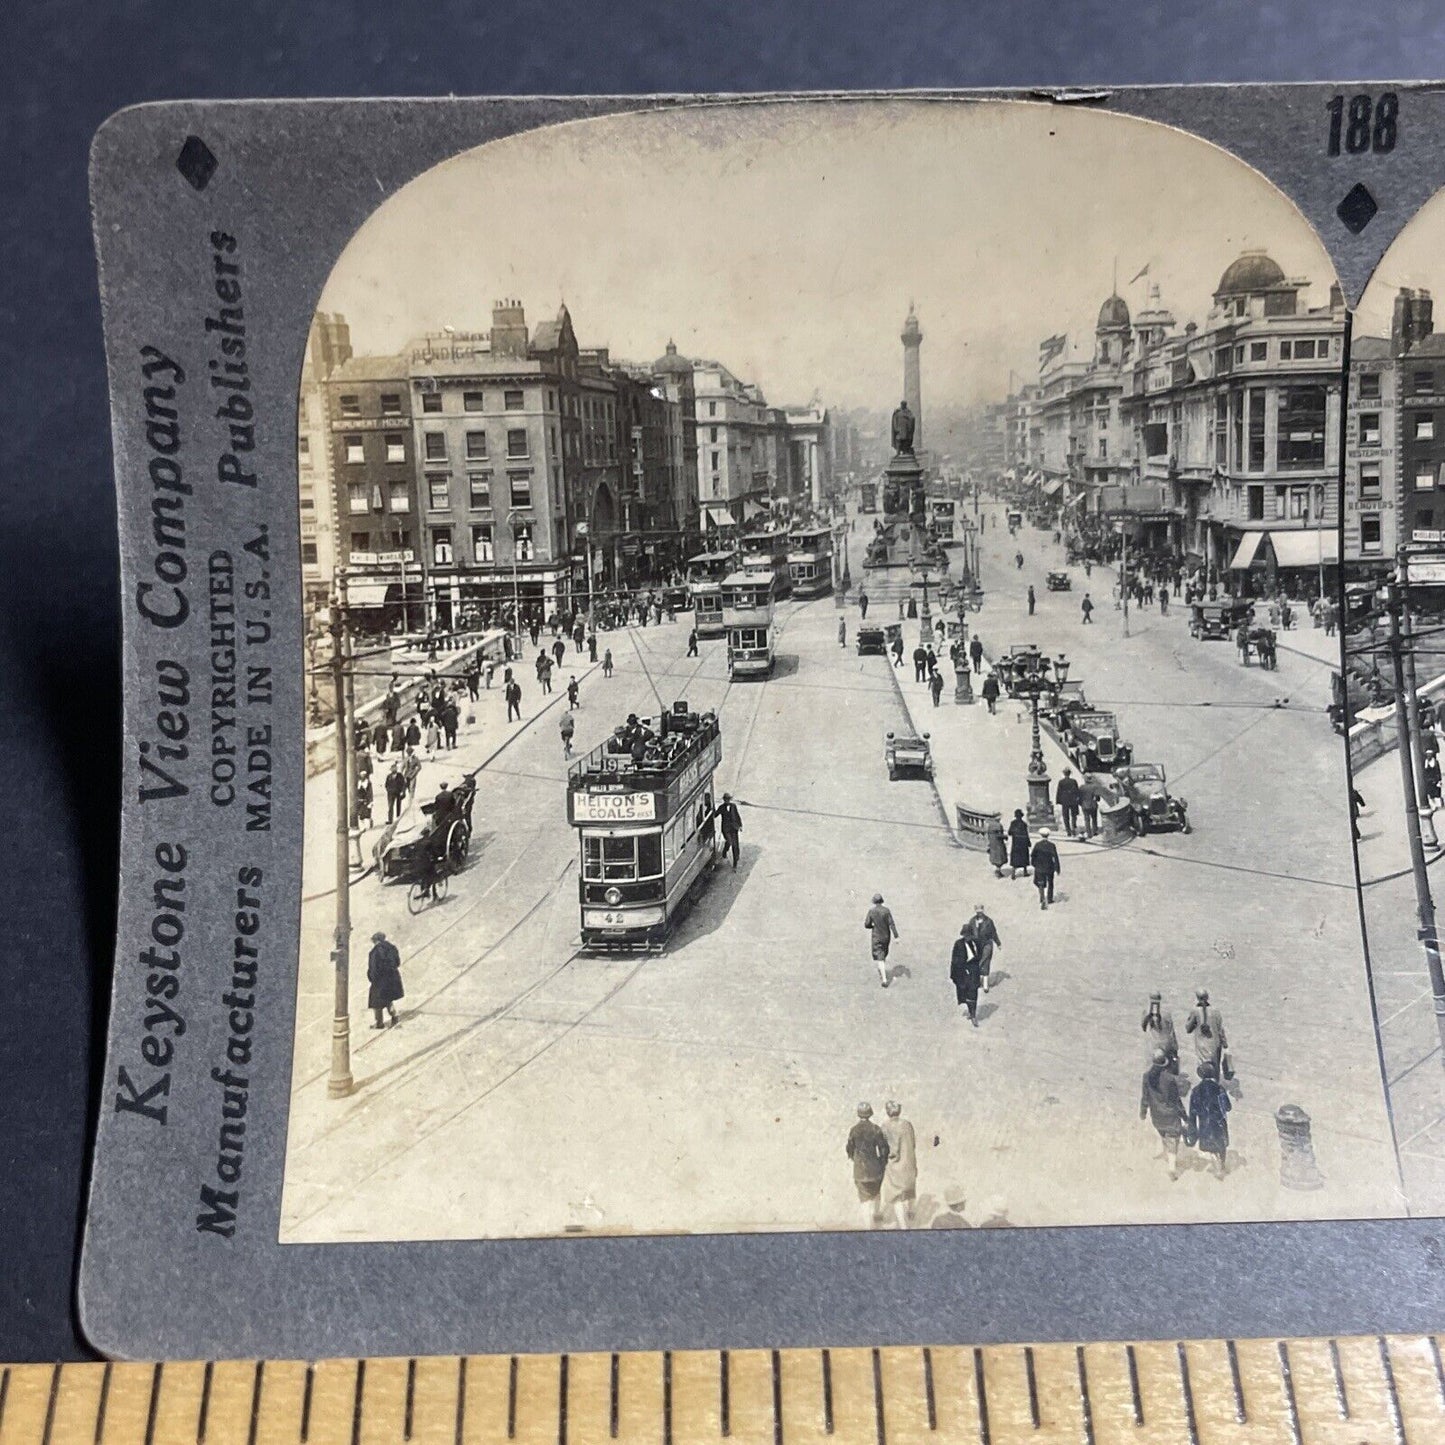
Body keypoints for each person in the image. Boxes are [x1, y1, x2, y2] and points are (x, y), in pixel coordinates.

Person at [1140, 1049, 1189, 1181]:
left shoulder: (1146, 1076)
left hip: (1156, 1114)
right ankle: (1171, 1168)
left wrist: (1143, 1112)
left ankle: (1164, 1152)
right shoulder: (1169, 1079)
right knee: (1173, 1138)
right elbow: (1176, 1100)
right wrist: (1185, 1117)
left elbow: (1145, 1097)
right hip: (1170, 1115)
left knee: (1163, 1133)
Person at [845, 1103, 890, 1229]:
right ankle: (875, 1216)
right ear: (870, 1113)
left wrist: (855, 1159)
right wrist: (882, 1163)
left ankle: (868, 1227)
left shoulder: (854, 1130)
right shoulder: (876, 1129)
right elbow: (884, 1149)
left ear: (858, 1114)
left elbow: (849, 1149)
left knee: (864, 1198)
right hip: (875, 1168)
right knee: (876, 1193)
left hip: (860, 1169)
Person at [1187, 1060, 1232, 1179]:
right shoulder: (1219, 1088)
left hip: (1204, 1125)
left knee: (1212, 1148)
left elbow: (1192, 1113)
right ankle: (1221, 1167)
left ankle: (1217, 1167)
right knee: (1221, 1146)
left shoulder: (1196, 1091)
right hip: (1218, 1123)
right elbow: (1228, 1107)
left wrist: (1192, 1129)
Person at [880, 1101, 918, 1228]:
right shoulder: (907, 1124)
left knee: (896, 1196)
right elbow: (913, 1143)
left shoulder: (885, 1126)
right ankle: (912, 1210)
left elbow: (884, 1149)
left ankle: (903, 1225)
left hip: (894, 1165)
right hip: (909, 1161)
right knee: (910, 1187)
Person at [1186, 989, 1231, 1078]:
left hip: (1202, 1046)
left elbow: (1188, 1028)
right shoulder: (1215, 1011)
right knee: (1215, 1068)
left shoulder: (1195, 1011)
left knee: (1204, 1070)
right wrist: (1224, 1042)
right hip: (1215, 1045)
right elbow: (1220, 1029)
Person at [367, 931, 404, 1029]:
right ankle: (394, 1017)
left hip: (380, 980)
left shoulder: (374, 952)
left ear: (375, 941)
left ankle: (379, 1023)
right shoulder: (392, 948)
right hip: (392, 979)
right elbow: (397, 962)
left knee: (376, 1003)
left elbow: (373, 969)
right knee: (388, 999)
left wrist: (371, 978)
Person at [864, 892, 899, 988]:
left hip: (876, 937)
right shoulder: (886, 911)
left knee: (880, 957)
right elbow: (892, 924)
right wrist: (896, 936)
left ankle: (884, 979)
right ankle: (883, 973)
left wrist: (872, 926)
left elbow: (867, 924)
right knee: (883, 954)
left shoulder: (872, 911)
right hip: (886, 936)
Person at [965, 902, 1002, 992]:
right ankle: (976, 980)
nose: (979, 913)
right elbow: (968, 933)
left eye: (980, 912)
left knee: (985, 961)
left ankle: (985, 984)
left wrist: (998, 943)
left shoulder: (988, 921)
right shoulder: (972, 921)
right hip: (976, 945)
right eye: (977, 912)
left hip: (987, 943)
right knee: (976, 961)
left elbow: (993, 933)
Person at [950, 924, 981, 1025]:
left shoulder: (975, 943)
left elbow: (978, 956)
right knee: (966, 992)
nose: (968, 937)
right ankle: (971, 1011)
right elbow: (955, 960)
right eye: (966, 935)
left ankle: (973, 1015)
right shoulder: (958, 944)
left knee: (973, 992)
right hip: (963, 972)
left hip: (974, 971)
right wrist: (958, 972)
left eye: (969, 935)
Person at [1141, 993, 1178, 1070]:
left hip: (1153, 1042)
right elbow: (1171, 1031)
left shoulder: (1146, 1011)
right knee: (1166, 1065)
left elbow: (1143, 1027)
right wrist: (1175, 1047)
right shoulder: (1166, 1013)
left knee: (1152, 1066)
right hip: (1165, 1042)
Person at [1030, 826, 1061, 909]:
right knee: (1050, 882)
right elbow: (1055, 857)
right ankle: (1050, 898)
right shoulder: (1052, 845)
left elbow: (1033, 855)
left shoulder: (1037, 845)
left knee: (1040, 882)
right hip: (1049, 867)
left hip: (1040, 867)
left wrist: (1034, 864)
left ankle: (1042, 897)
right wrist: (1057, 868)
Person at [718, 792, 742, 869]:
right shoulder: (721, 807)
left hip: (734, 828)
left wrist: (740, 825)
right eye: (726, 799)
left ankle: (735, 863)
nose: (727, 801)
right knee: (729, 841)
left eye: (728, 799)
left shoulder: (733, 806)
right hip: (726, 829)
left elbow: (737, 815)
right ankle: (725, 851)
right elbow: (715, 814)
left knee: (735, 845)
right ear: (724, 800)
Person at [1055, 766, 1081, 837]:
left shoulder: (1061, 782)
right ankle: (1073, 828)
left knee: (1065, 816)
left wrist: (1058, 801)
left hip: (1065, 800)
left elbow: (1059, 792)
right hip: (1073, 800)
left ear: (1064, 774)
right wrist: (1078, 799)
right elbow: (1077, 791)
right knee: (1074, 815)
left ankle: (1068, 830)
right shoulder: (1073, 781)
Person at [1006, 809, 1030, 879]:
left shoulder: (1013, 823)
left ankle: (1013, 873)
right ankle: (1025, 872)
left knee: (1015, 858)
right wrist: (1028, 842)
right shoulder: (1024, 824)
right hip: (1023, 843)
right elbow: (1026, 834)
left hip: (1016, 843)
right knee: (1024, 857)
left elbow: (1009, 832)